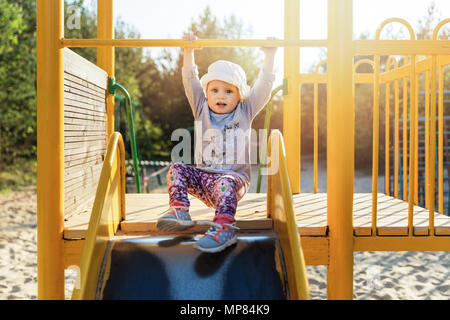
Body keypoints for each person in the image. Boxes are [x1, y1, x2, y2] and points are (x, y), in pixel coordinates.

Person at [157, 34, 277, 253]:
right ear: (206, 93)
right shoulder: (201, 109)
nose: (221, 96)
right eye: (215, 90)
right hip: (204, 181)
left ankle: (224, 226)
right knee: (177, 168)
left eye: (229, 91)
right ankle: (179, 210)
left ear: (239, 95)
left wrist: (270, 55)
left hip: (232, 183)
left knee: (225, 182)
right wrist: (189, 51)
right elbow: (189, 80)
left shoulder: (245, 111)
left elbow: (264, 86)